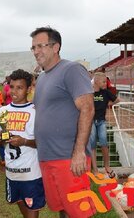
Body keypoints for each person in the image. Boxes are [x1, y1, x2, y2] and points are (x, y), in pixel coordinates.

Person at [31, 27, 95, 217]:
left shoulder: (71, 69)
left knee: (79, 211)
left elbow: (87, 108)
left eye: (41, 46)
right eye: (33, 47)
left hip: (69, 157)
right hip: (48, 157)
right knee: (62, 209)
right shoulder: (42, 78)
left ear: (56, 47)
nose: (36, 51)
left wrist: (79, 152)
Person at [0, 69, 45, 218]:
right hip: (11, 171)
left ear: (28, 89)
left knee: (32, 208)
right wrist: (4, 138)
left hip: (31, 173)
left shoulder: (35, 111)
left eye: (20, 87)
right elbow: (2, 138)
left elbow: (43, 143)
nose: (14, 91)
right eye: (12, 87)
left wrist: (24, 141)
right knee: (19, 202)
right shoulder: (3, 111)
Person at [90, 72, 119, 178]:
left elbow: (117, 99)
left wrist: (110, 103)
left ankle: (107, 166)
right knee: (92, 145)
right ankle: (95, 170)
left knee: (104, 143)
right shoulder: (89, 92)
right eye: (103, 82)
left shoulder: (106, 92)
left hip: (101, 121)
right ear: (96, 82)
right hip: (91, 121)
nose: (106, 84)